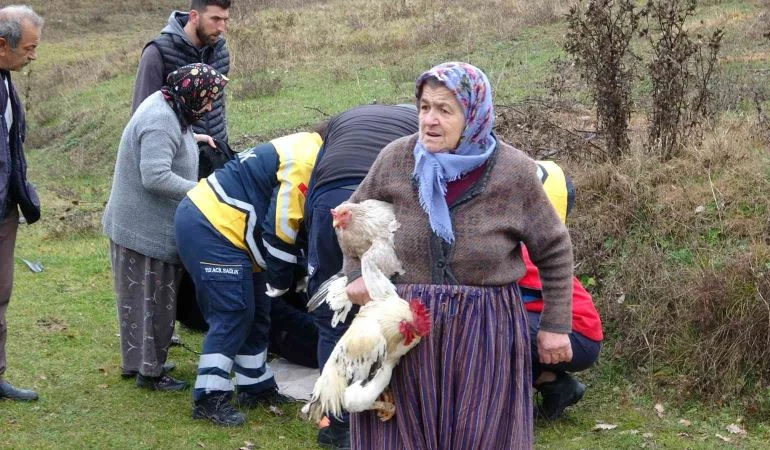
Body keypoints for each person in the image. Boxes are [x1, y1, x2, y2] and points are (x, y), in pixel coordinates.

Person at [344, 62, 575, 449]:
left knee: (480, 433)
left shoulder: (514, 171)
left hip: (484, 330)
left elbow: (553, 248)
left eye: (444, 110)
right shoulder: (396, 159)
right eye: (424, 107)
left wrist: (555, 325)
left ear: (474, 115)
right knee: (397, 432)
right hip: (404, 326)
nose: (430, 120)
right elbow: (350, 218)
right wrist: (355, 273)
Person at [174, 129, 324, 426]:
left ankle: (255, 386)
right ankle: (209, 396)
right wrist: (284, 281)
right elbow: (282, 227)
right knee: (232, 312)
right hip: (212, 226)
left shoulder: (309, 145)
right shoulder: (306, 160)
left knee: (258, 311)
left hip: (233, 230)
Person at [102, 63, 228, 392]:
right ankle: (151, 374)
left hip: (135, 224)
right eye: (207, 99)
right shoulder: (160, 119)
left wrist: (193, 137)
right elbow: (155, 176)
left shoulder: (168, 103)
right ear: (191, 95)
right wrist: (202, 189)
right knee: (154, 303)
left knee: (136, 302)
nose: (210, 106)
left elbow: (173, 136)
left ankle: (138, 363)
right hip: (144, 230)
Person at [303, 104, 418, 449]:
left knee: (331, 315)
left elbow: (314, 182)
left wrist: (317, 244)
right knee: (392, 311)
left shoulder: (340, 120)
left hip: (332, 203)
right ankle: (391, 409)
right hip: (378, 210)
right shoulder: (423, 122)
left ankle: (333, 423)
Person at [515, 160, 603, 420]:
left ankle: (503, 412)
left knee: (490, 329)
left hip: (576, 332)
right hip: (570, 328)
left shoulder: (512, 251)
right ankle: (556, 385)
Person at [0, 4, 42, 402]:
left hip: (4, 211)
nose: (32, 56)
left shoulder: (6, 81)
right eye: (29, 48)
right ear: (2, 45)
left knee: (1, 291)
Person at [131, 0, 230, 143]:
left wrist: (222, 144)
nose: (221, 27)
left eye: (225, 20)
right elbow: (141, 117)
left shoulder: (220, 52)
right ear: (194, 17)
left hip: (216, 150)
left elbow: (218, 106)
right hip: (174, 155)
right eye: (215, 19)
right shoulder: (157, 53)